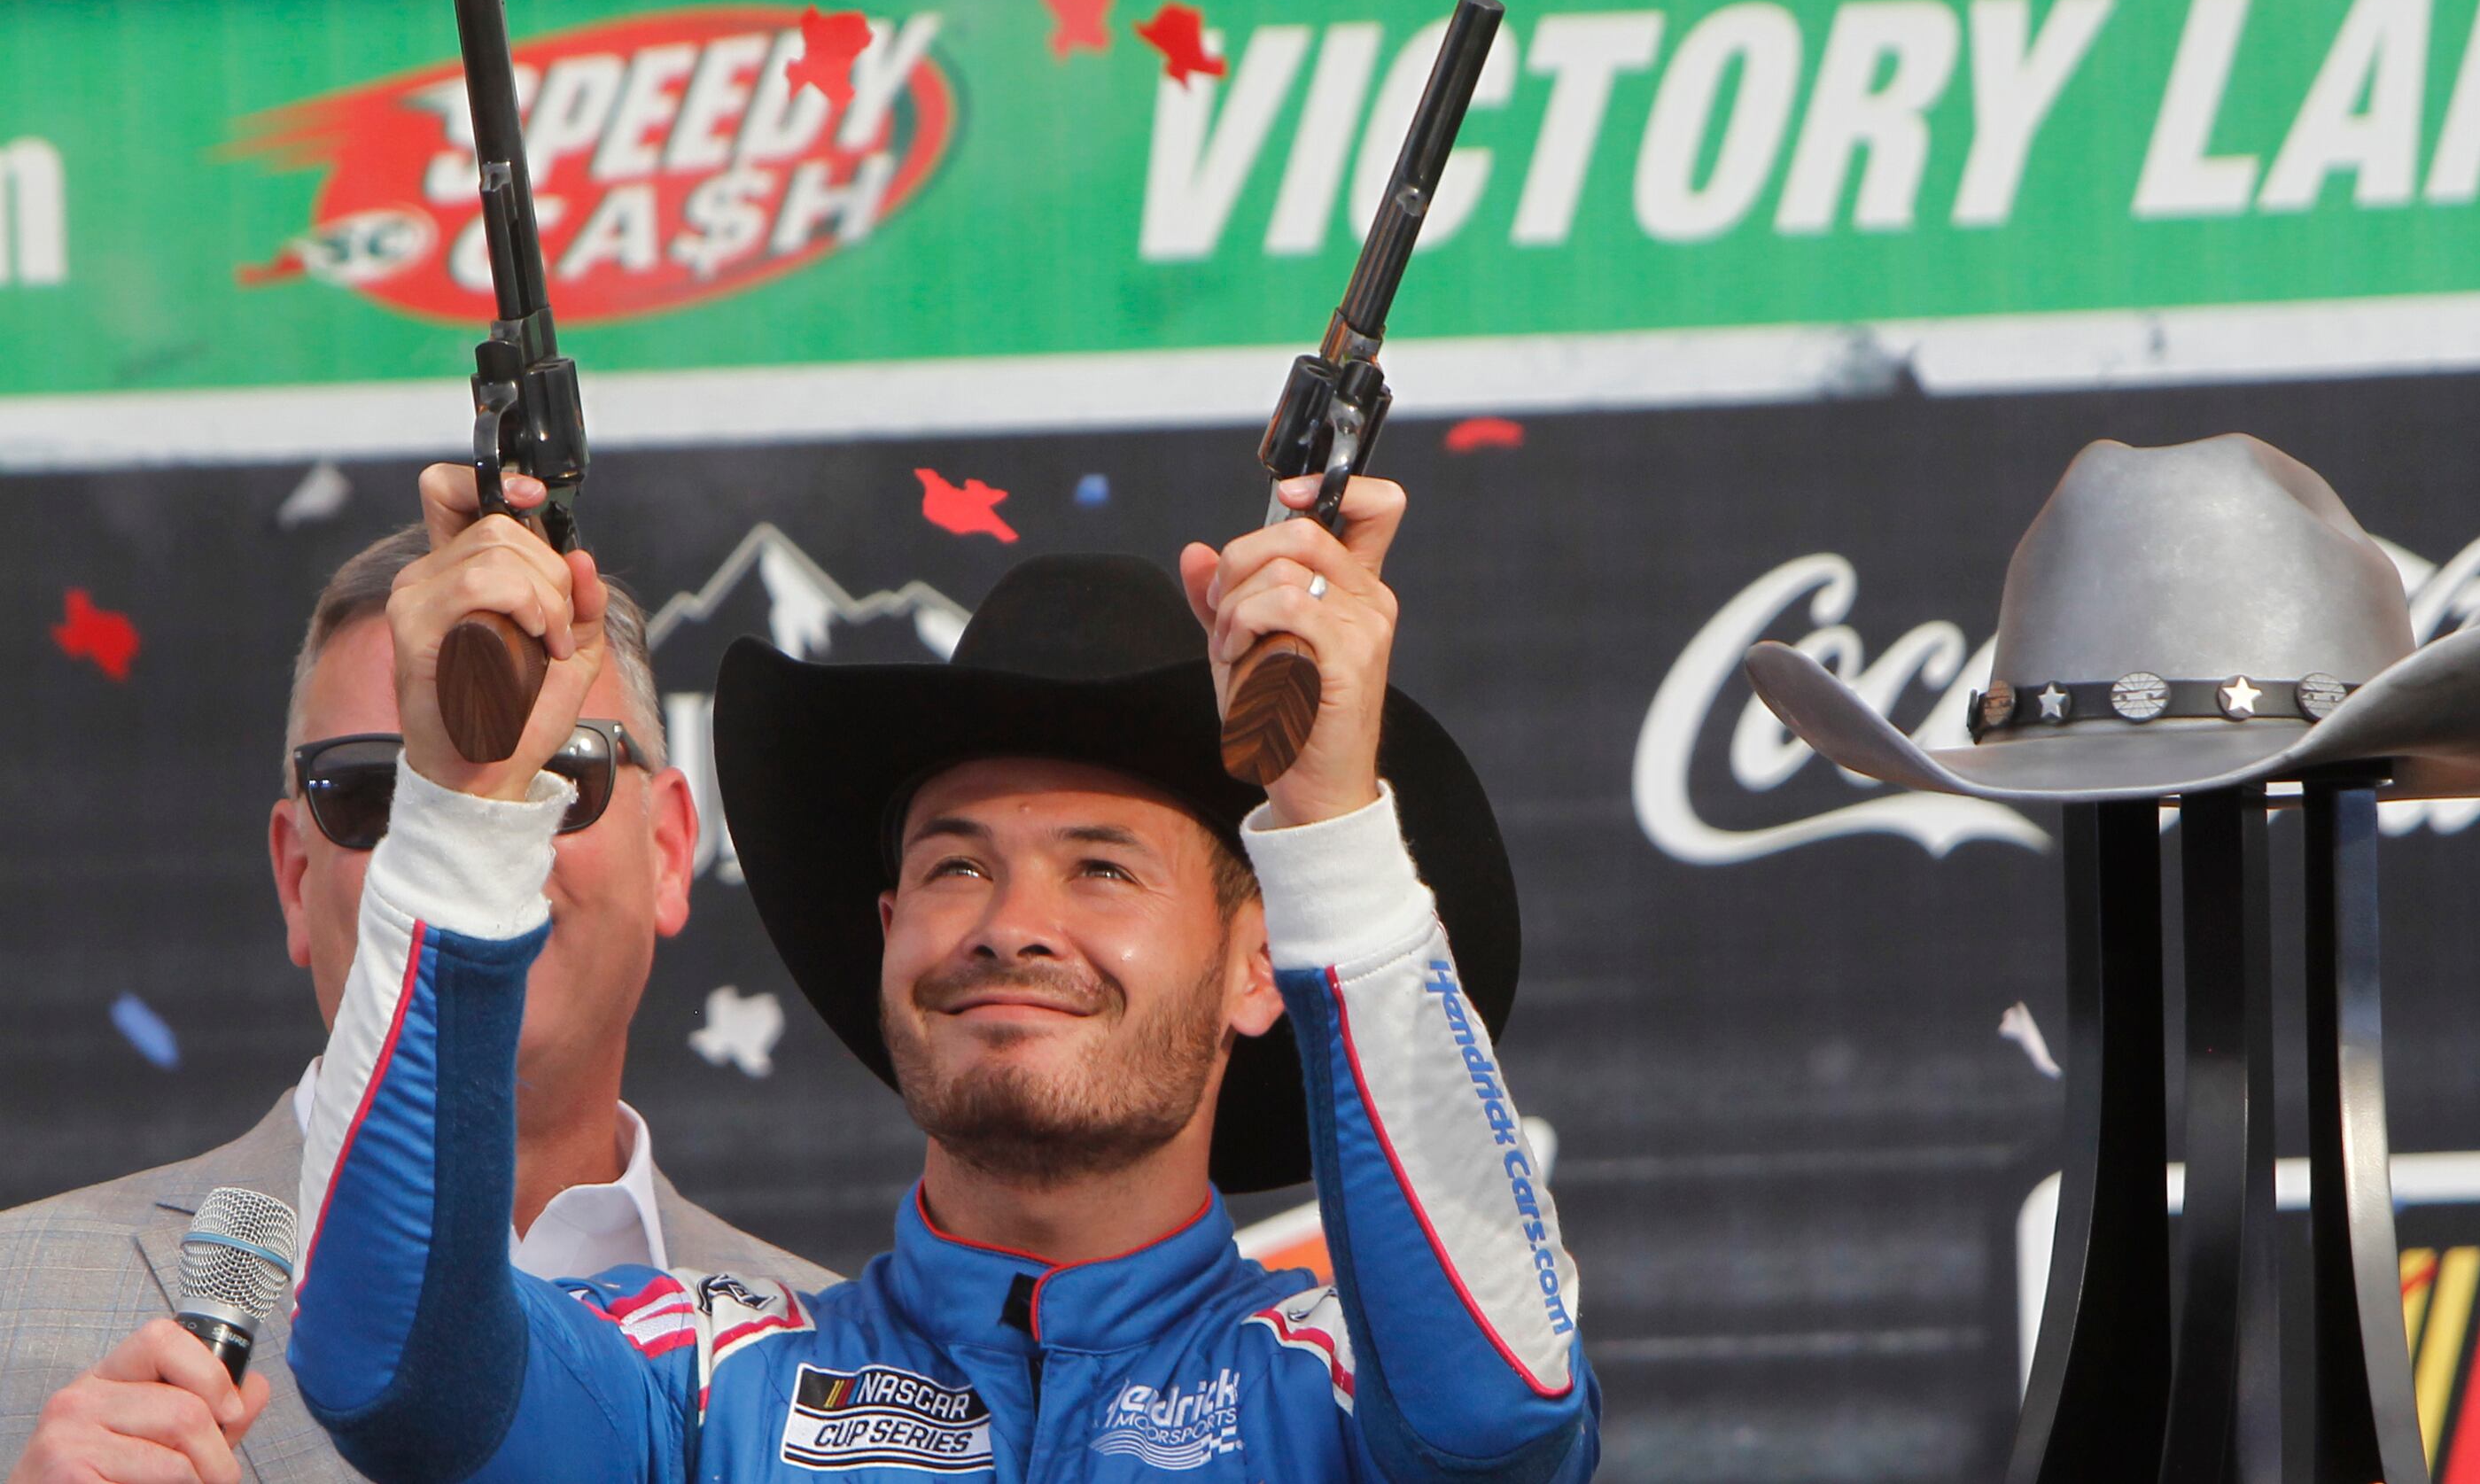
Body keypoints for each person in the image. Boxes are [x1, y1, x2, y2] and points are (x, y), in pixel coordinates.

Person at [286, 464, 1600, 1480]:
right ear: (887, 930)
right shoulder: (692, 1378)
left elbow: (1502, 1420)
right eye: (955, 866)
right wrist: (460, 812)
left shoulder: (1334, 1389)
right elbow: (393, 1366)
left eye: (1100, 868)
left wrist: (1328, 829)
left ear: (1263, 961)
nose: (1009, 924)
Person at [1, 521, 835, 1484]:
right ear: (293, 876)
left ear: (670, 849)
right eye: (379, 793)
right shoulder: (20, 1298)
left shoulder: (842, 1362)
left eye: (553, 775)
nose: (474, 843)